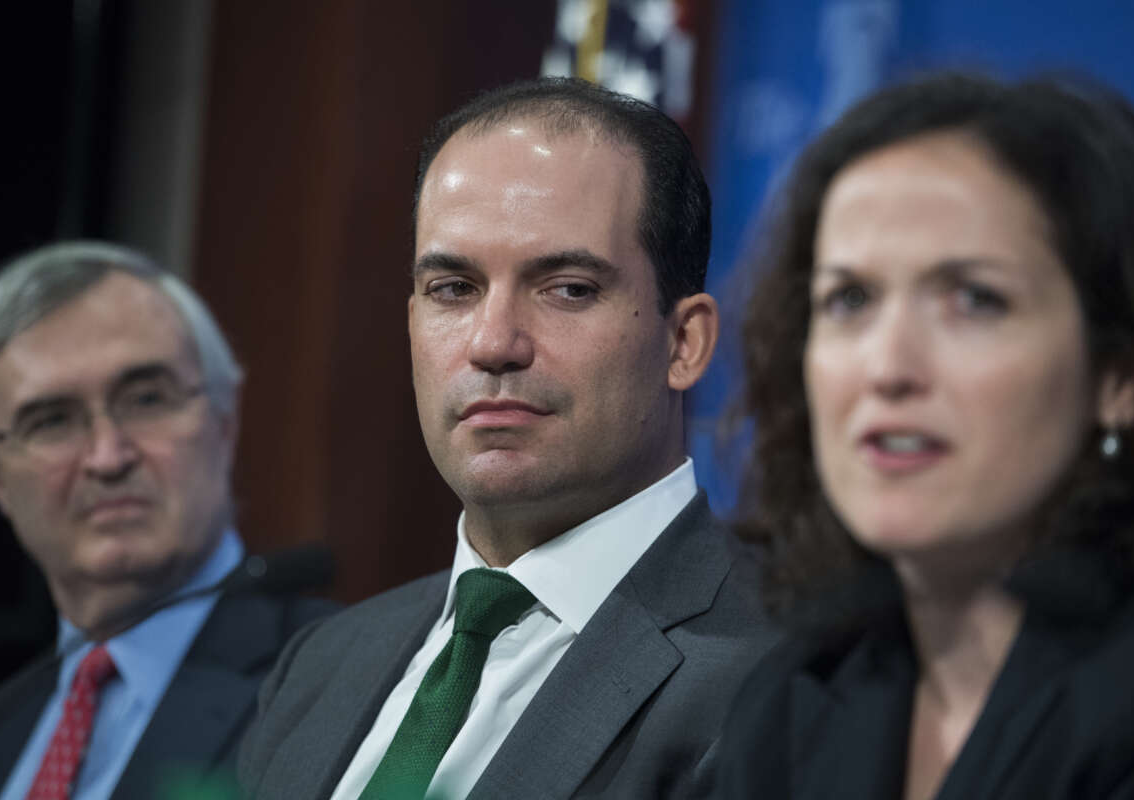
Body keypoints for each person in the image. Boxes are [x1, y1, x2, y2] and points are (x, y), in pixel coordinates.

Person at [237, 77, 775, 800]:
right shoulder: (318, 667)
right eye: (453, 289)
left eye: (568, 288)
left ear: (684, 342)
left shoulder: (791, 668)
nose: (493, 344)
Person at [720, 73, 1134, 799]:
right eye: (849, 299)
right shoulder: (787, 705)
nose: (888, 368)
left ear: (1121, 374)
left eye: (975, 299)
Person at [0, 242, 336, 800]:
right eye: (51, 422)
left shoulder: (337, 685)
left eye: (145, 400)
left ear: (225, 420)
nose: (107, 458)